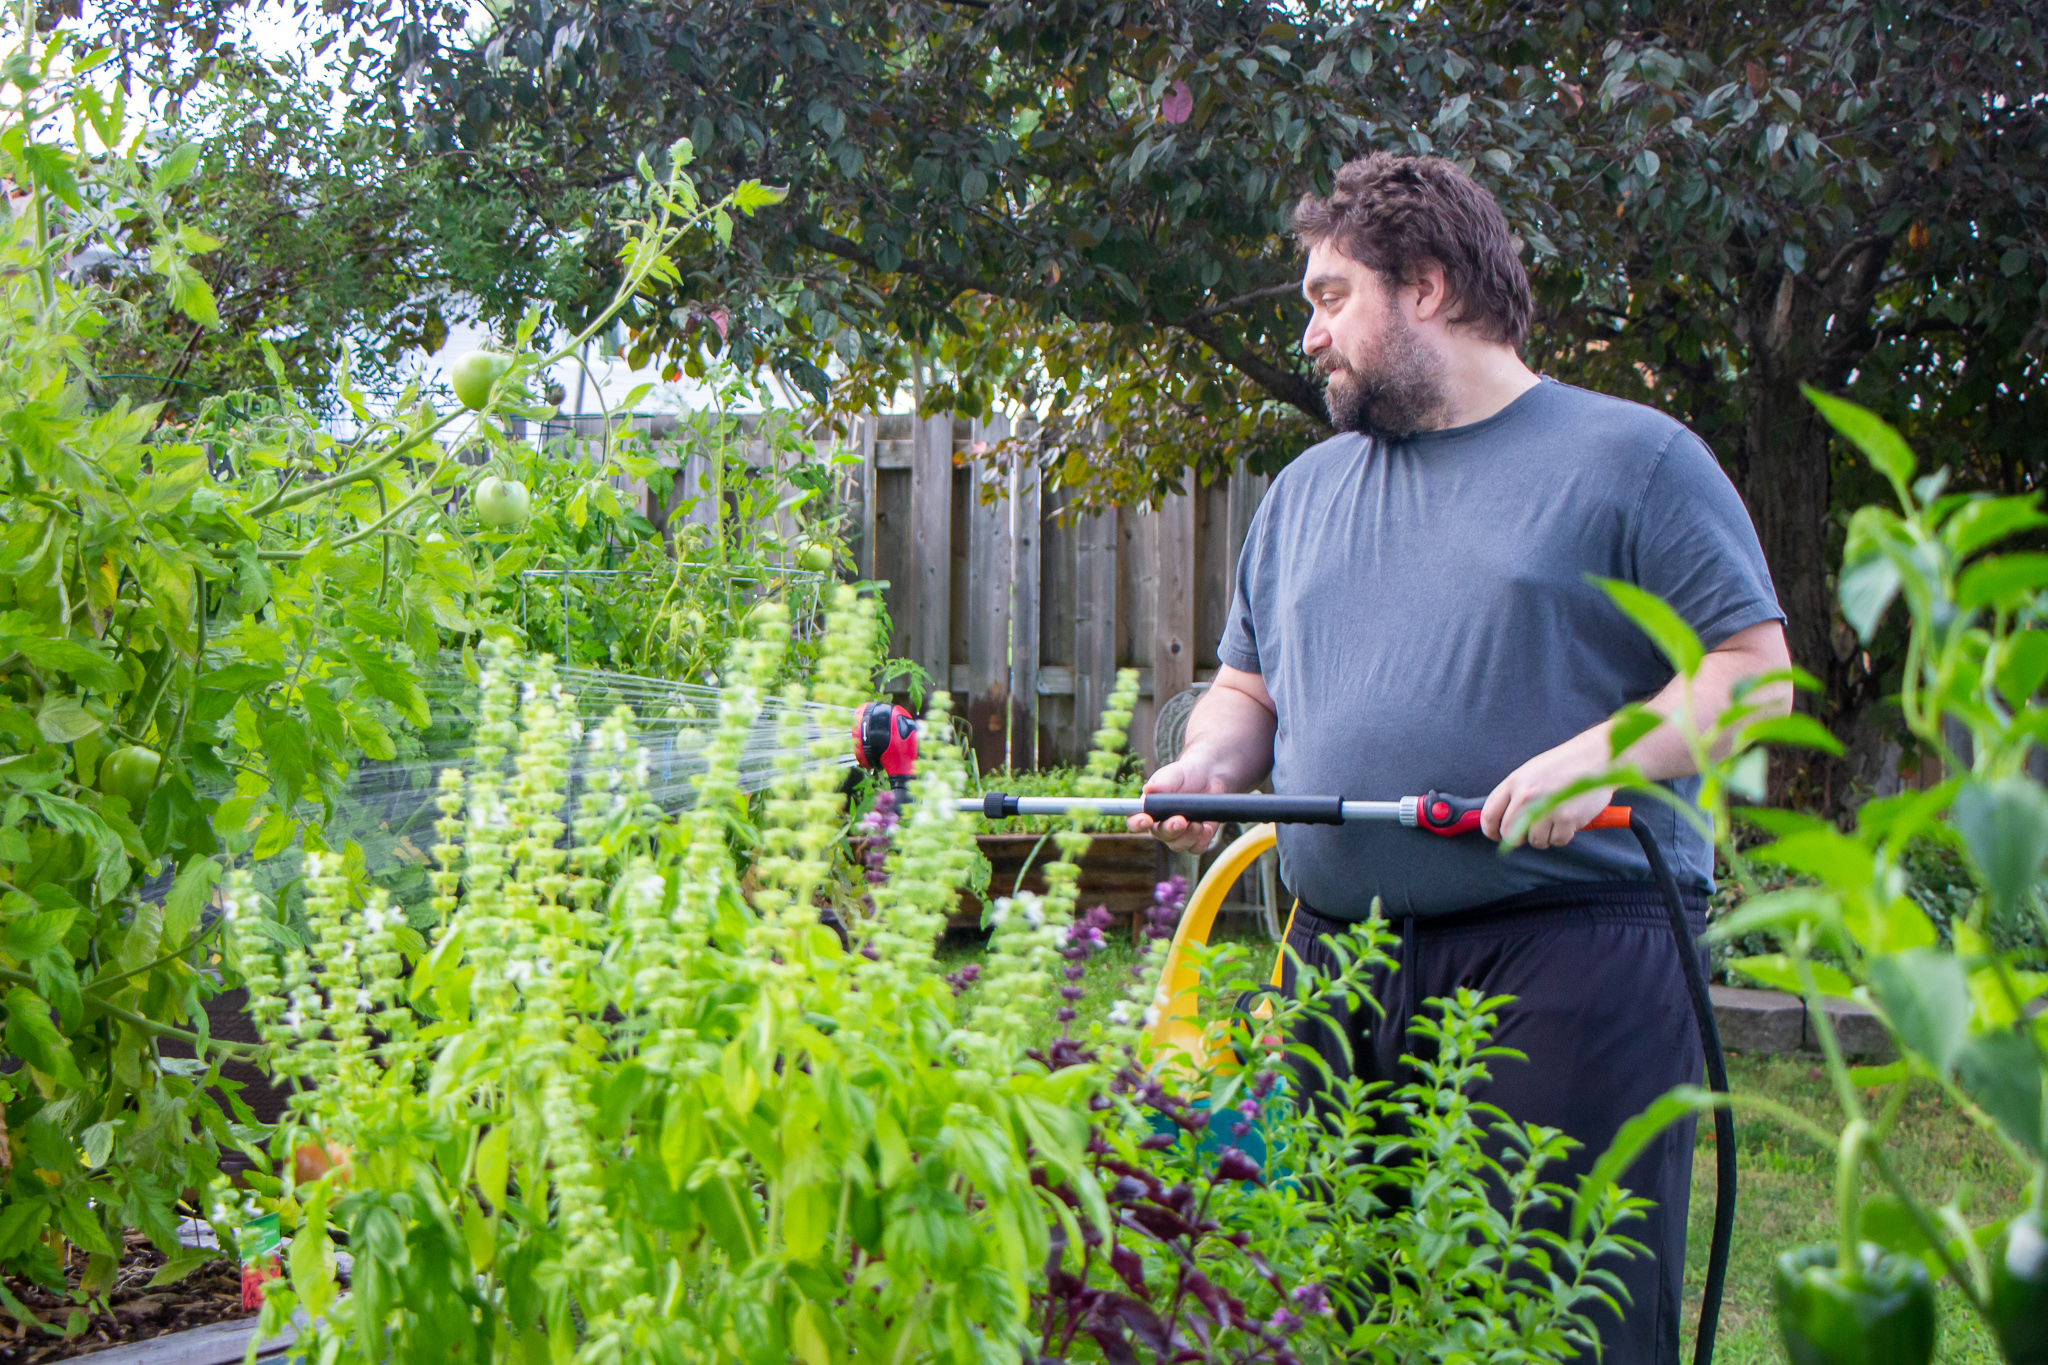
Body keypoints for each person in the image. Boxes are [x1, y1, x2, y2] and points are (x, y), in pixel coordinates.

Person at [1130, 152, 1791, 1364]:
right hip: (1338, 968)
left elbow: (1750, 678)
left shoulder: (1630, 460)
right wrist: (1209, 766)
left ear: (1425, 286)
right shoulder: (1301, 491)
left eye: (1330, 298)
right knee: (1347, 1307)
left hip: (1569, 954)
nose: (1309, 333)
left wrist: (1605, 755)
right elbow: (1244, 690)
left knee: (1552, 1319)